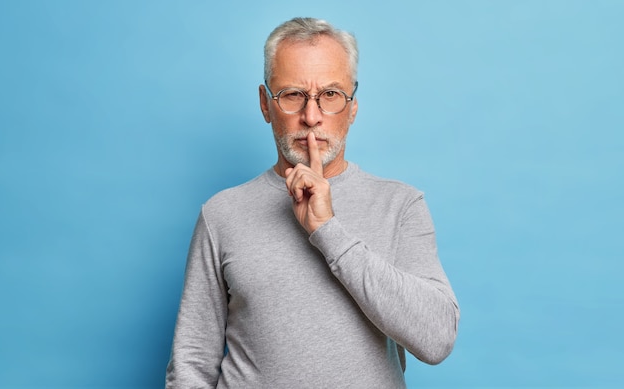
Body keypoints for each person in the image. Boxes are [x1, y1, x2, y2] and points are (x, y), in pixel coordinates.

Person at [165, 17, 459, 389]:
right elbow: (192, 362)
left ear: (352, 107)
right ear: (265, 104)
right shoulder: (221, 214)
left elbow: (437, 339)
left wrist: (327, 230)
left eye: (331, 95)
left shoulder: (400, 206)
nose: (311, 116)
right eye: (292, 95)